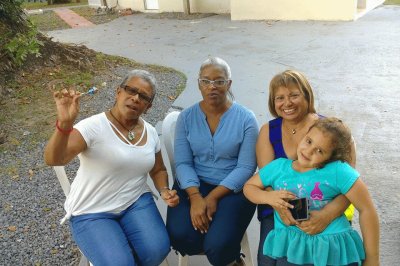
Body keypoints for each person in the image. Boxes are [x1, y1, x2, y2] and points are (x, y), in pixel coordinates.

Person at [44, 69, 179, 266]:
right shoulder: (93, 127)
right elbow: (55, 159)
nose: (135, 98)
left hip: (134, 202)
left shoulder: (149, 132)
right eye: (130, 90)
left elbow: (158, 169)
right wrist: (64, 124)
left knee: (157, 250)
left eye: (143, 96)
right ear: (118, 92)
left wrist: (164, 190)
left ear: (148, 106)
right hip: (91, 210)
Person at [244, 117, 380, 266]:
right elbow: (249, 187)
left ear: (332, 157)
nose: (308, 151)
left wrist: (372, 259)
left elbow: (367, 209)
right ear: (304, 136)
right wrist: (268, 197)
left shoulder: (338, 170)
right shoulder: (278, 167)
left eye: (320, 151)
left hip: (332, 248)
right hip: (292, 248)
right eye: (309, 141)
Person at [256, 70, 357, 265]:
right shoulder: (268, 131)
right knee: (268, 261)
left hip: (326, 207)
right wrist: (280, 207)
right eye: (280, 98)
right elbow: (265, 181)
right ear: (273, 102)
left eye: (294, 95)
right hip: (281, 210)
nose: (287, 103)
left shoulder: (329, 130)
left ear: (307, 95)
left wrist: (327, 215)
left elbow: (351, 184)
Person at [166, 57, 258, 266]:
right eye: (206, 81)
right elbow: (183, 163)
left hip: (233, 189)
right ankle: (218, 246)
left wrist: (213, 198)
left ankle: (231, 259)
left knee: (218, 245)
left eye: (219, 81)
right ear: (199, 84)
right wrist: (196, 197)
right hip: (193, 185)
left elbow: (246, 167)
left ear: (229, 84)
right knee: (180, 236)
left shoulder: (246, 119)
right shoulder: (186, 118)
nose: (212, 87)